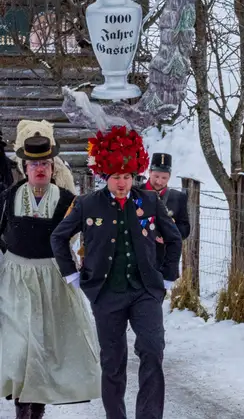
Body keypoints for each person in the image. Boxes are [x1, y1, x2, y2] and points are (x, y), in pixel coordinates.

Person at [51, 125, 182, 419]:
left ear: (134, 175)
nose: (122, 183)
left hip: (145, 291)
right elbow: (58, 237)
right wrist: (72, 274)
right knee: (113, 361)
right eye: (115, 177)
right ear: (104, 176)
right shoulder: (87, 204)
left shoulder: (150, 201)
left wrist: (166, 276)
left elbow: (174, 238)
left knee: (152, 350)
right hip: (105, 292)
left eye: (126, 177)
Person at [0, 133, 101, 419]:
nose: (40, 169)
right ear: (25, 168)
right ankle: (22, 409)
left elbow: (90, 237)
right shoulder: (8, 198)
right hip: (15, 279)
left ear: (53, 167)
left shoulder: (68, 201)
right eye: (34, 164)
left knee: (43, 348)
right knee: (21, 347)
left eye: (45, 163)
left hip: (52, 279)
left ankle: (37, 410)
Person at [142, 153, 190, 268]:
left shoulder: (178, 197)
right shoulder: (135, 193)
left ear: (169, 176)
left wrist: (169, 236)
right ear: (149, 172)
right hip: (139, 258)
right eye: (156, 176)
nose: (159, 182)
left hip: (164, 261)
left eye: (164, 178)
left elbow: (184, 227)